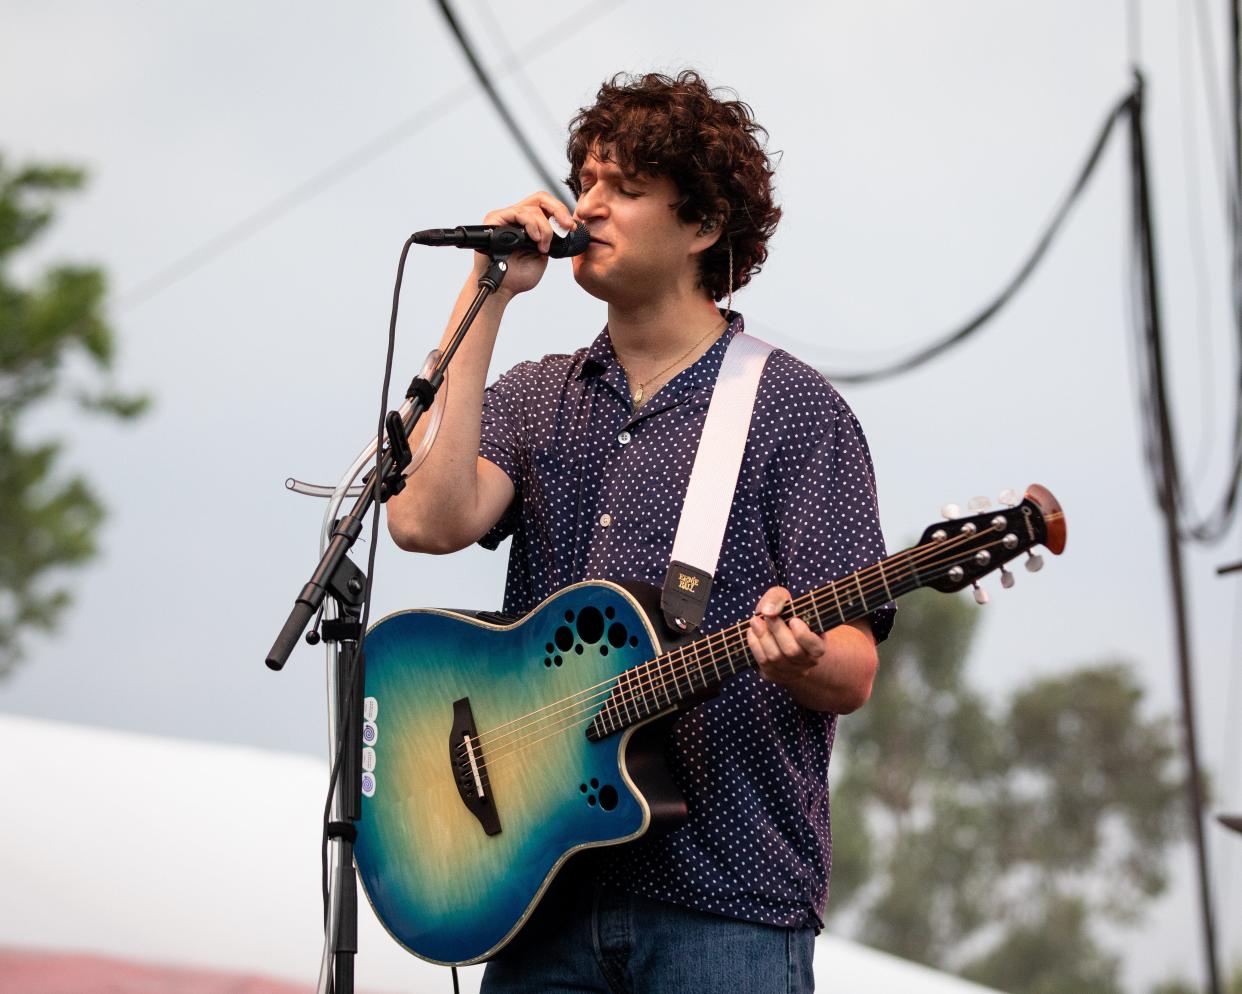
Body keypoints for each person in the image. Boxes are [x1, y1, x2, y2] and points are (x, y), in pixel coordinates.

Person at [386, 70, 893, 994]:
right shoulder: (541, 396)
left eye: (623, 187)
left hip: (725, 906)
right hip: (539, 896)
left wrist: (797, 658)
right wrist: (485, 296)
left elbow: (853, 667)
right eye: (584, 181)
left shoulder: (793, 411)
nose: (589, 205)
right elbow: (422, 521)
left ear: (702, 226)